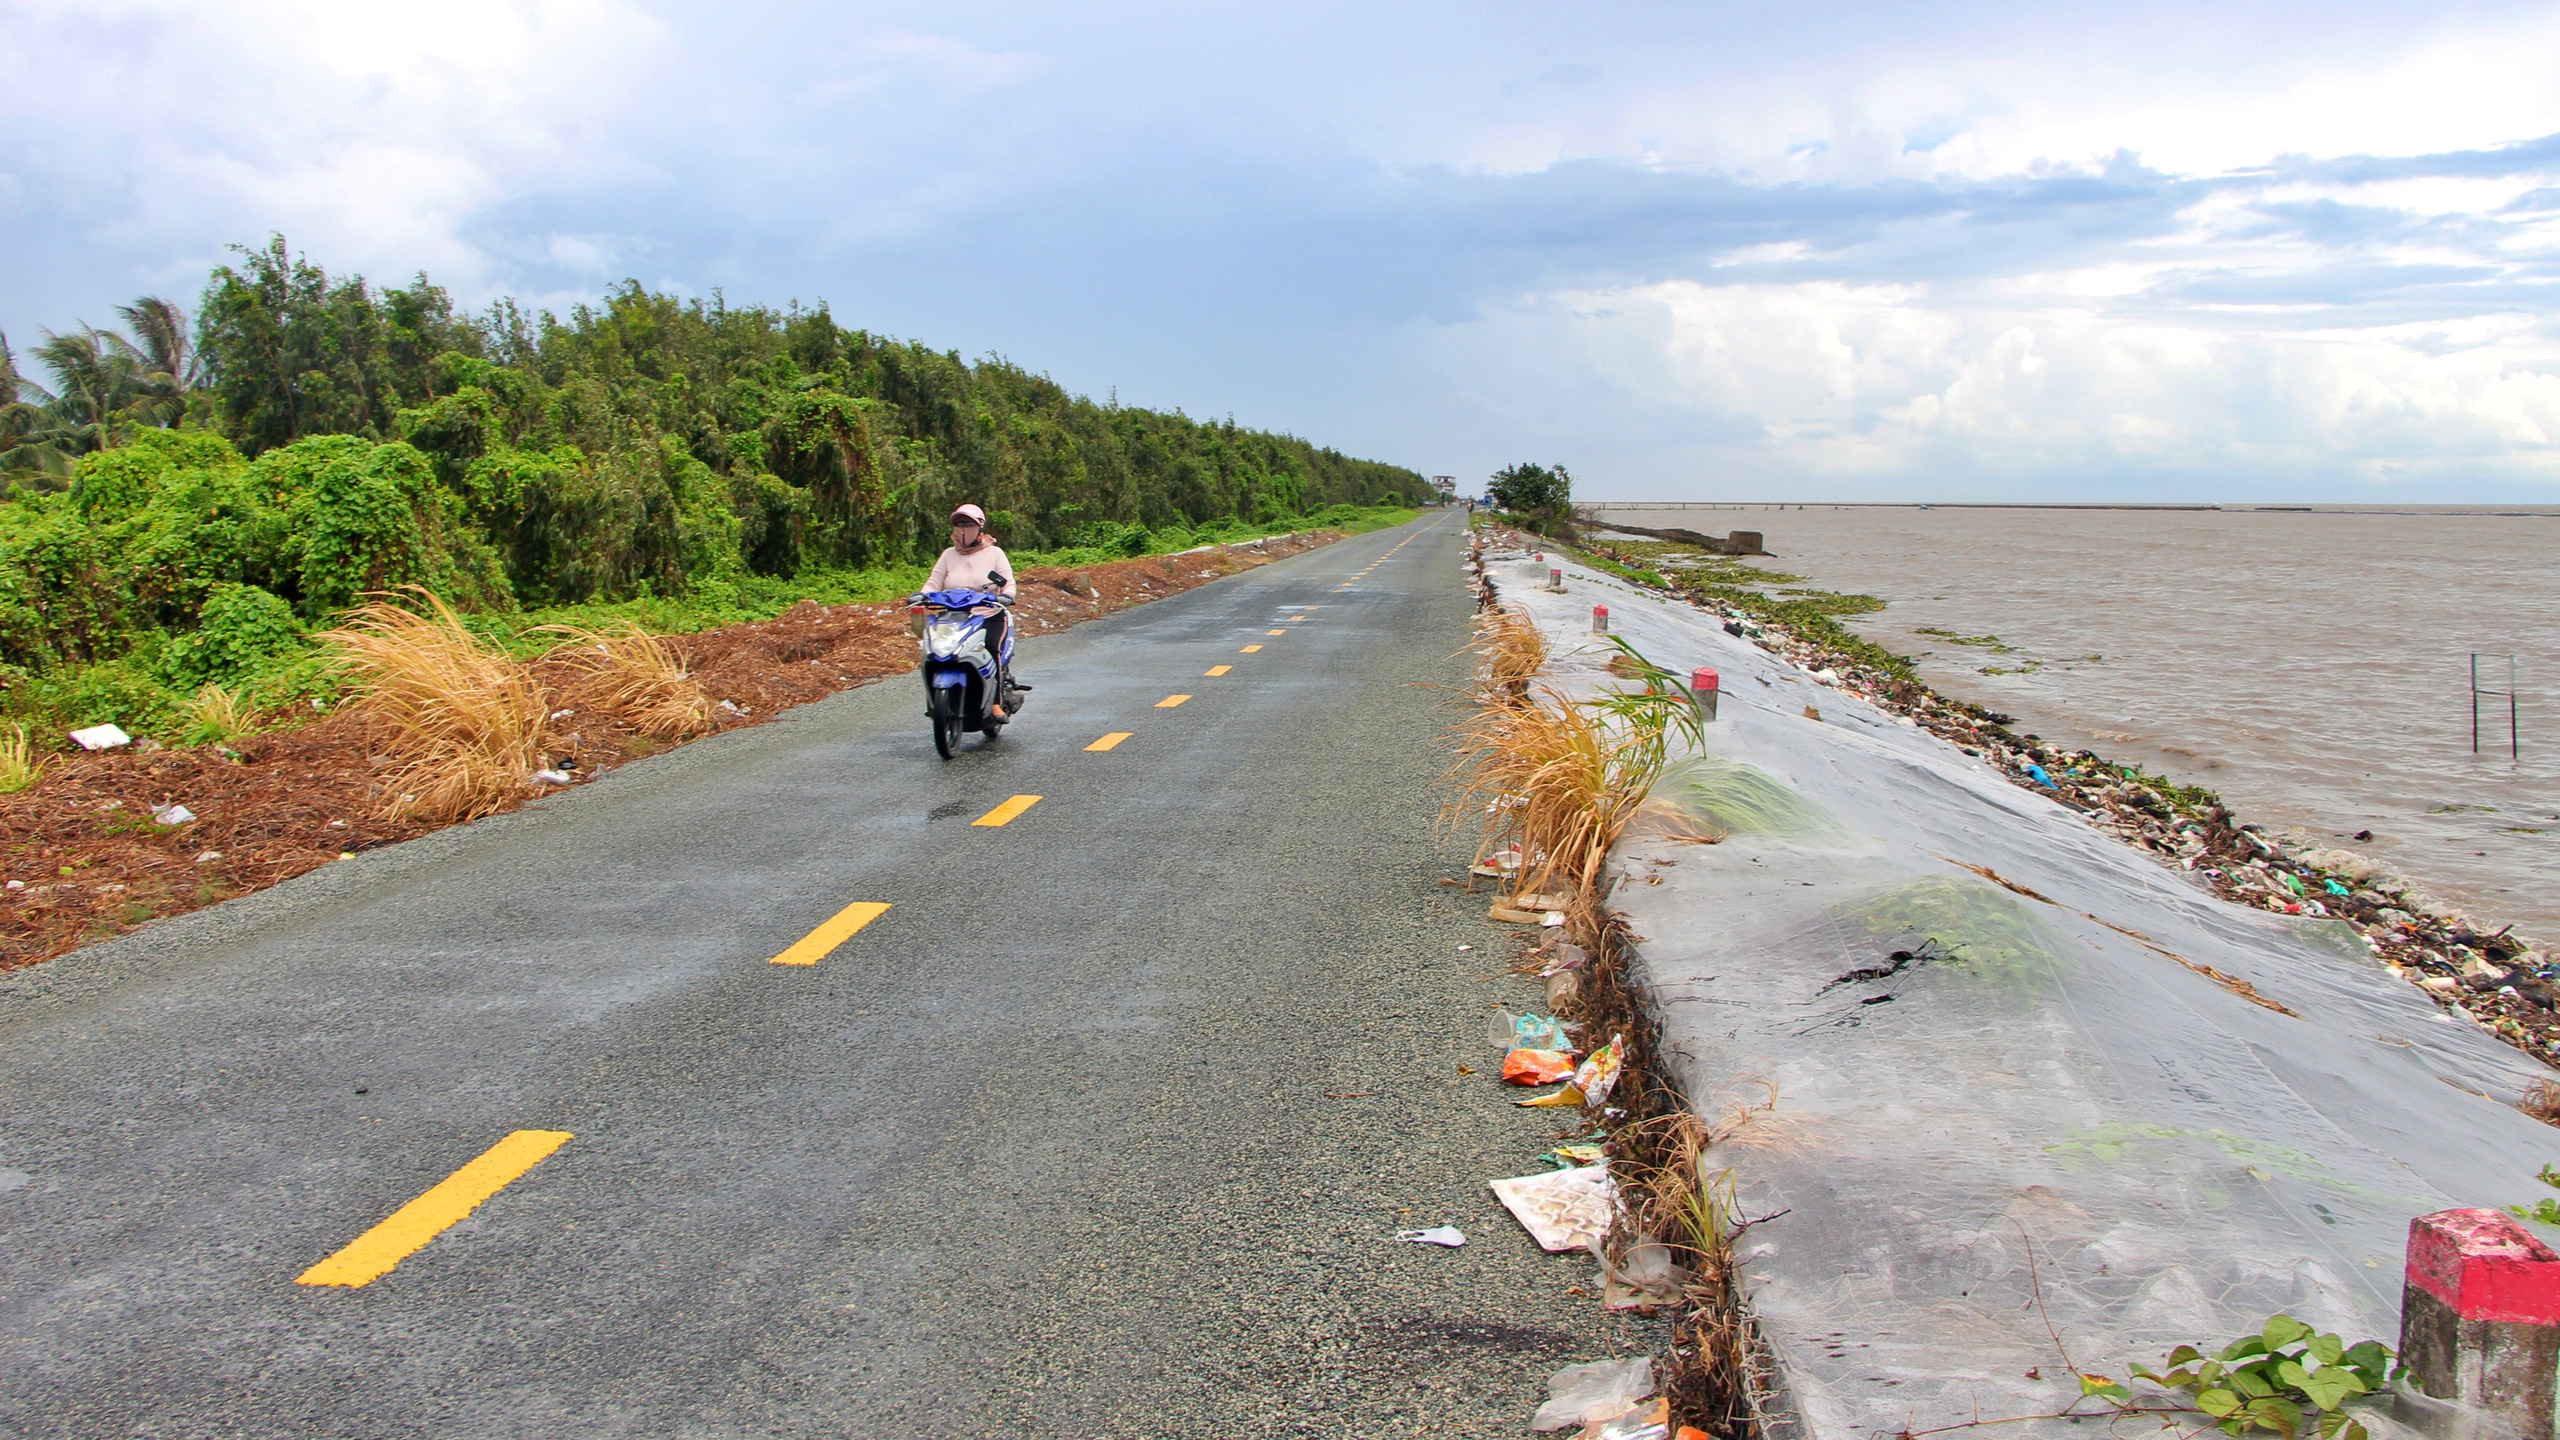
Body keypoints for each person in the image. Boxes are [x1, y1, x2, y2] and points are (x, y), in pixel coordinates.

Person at [924, 504, 1023, 712]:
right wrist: (923, 595)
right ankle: (936, 700)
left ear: (980, 527)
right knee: (935, 650)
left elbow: (1008, 583)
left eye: (969, 524)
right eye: (959, 524)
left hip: (989, 614)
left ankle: (995, 703)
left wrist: (1006, 596)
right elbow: (934, 582)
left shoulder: (994, 553)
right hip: (955, 617)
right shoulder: (948, 555)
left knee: (992, 647)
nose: (963, 529)